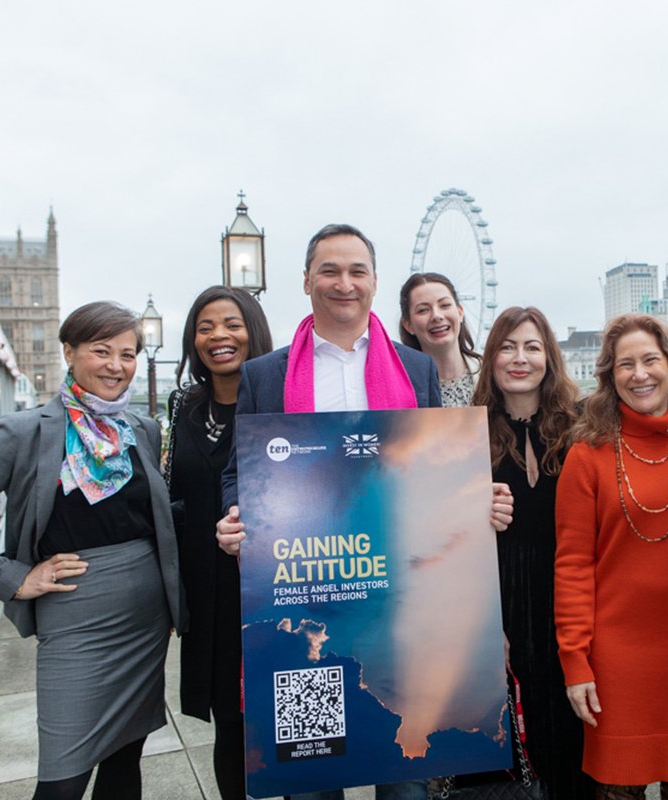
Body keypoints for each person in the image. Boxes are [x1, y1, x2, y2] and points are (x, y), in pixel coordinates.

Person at [216, 223, 515, 800]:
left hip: (401, 603)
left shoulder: (415, 368)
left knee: (404, 772)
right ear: (306, 281)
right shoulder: (264, 375)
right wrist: (234, 517)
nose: (344, 283)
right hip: (305, 601)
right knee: (311, 776)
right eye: (329, 270)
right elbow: (240, 471)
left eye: (357, 271)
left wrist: (481, 498)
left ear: (375, 282)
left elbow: (437, 466)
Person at [0, 301, 185, 800]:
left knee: (126, 756)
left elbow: (156, 518)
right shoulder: (23, 432)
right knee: (62, 779)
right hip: (73, 620)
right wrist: (15, 578)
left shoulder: (140, 429)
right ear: (69, 351)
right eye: (101, 351)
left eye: (128, 354)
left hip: (145, 618)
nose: (117, 366)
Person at [555, 313, 668, 800]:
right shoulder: (587, 454)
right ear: (610, 377)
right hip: (615, 658)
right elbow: (572, 566)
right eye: (625, 364)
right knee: (618, 790)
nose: (640, 374)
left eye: (650, 360)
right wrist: (575, 661)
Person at [473, 306, 591, 800]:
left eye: (532, 347)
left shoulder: (582, 427)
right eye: (507, 346)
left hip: (569, 594)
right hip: (497, 598)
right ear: (491, 358)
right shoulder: (464, 433)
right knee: (508, 747)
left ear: (550, 358)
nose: (519, 359)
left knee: (575, 738)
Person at [167, 286, 273, 799]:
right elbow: (176, 493)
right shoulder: (184, 407)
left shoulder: (280, 403)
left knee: (287, 724)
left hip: (269, 586)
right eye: (205, 327)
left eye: (232, 324)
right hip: (207, 591)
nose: (218, 337)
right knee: (229, 725)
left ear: (253, 328)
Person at [399, 271, 480, 407]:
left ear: (460, 312)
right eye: (423, 310)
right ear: (408, 325)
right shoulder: (400, 385)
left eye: (445, 305)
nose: (437, 316)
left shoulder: (490, 375)